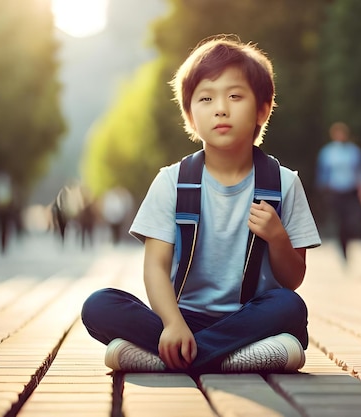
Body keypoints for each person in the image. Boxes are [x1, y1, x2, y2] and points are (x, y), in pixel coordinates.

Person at [81, 35, 321, 374]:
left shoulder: (283, 183)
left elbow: (293, 278)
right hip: (183, 315)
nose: (221, 108)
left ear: (262, 109)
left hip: (249, 316)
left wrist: (278, 237)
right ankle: (230, 356)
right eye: (206, 98)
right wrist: (172, 324)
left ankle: (168, 358)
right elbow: (155, 268)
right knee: (99, 305)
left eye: (235, 96)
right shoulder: (171, 182)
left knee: (289, 306)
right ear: (191, 117)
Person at [315, 122, 361, 262]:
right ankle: (342, 248)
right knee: (339, 222)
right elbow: (322, 174)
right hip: (335, 191)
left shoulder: (354, 151)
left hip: (351, 191)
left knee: (352, 222)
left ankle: (349, 241)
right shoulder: (327, 153)